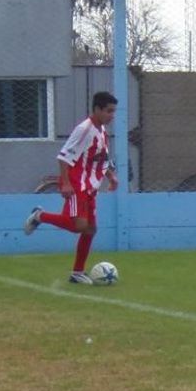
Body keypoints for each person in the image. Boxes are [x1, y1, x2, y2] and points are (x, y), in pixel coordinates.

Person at [24, 91, 119, 284]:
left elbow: (101, 159)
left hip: (90, 187)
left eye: (114, 111)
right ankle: (39, 216)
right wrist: (66, 183)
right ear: (97, 109)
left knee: (90, 229)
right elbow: (64, 156)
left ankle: (77, 272)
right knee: (79, 226)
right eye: (109, 111)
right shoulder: (85, 129)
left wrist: (110, 176)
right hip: (77, 184)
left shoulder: (102, 132)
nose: (112, 115)